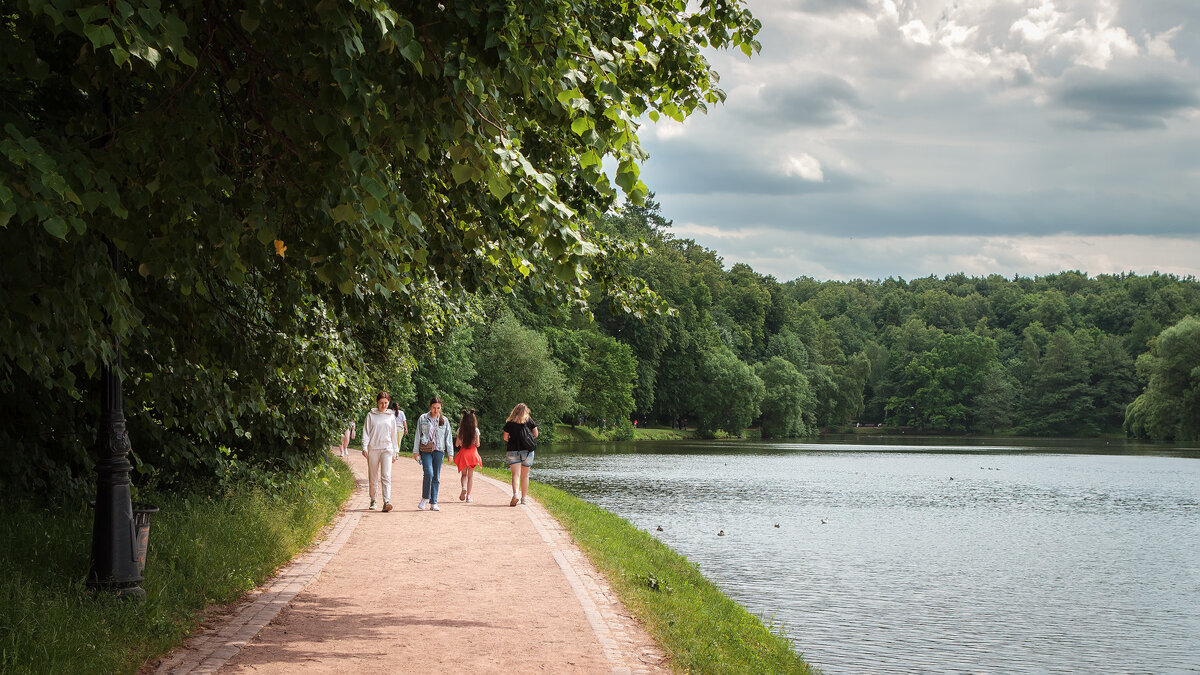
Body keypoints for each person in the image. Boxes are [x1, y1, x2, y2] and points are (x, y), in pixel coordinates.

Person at [412, 396, 454, 511]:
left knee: (436, 476)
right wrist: (416, 452)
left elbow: (448, 437)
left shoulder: (444, 420)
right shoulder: (423, 418)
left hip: (439, 450)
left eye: (438, 408)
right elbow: (418, 434)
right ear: (430, 407)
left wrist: (450, 453)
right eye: (434, 408)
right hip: (425, 450)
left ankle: (434, 502)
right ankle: (424, 498)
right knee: (429, 473)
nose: (436, 410)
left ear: (441, 408)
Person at [361, 391, 399, 511]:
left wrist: (395, 451)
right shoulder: (371, 415)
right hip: (373, 449)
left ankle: (386, 501)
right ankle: (373, 500)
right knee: (373, 476)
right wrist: (364, 446)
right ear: (377, 403)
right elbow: (366, 432)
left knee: (386, 476)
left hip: (387, 449)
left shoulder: (391, 417)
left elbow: (394, 435)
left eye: (386, 403)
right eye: (381, 403)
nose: (383, 405)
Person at [502, 402, 538, 507]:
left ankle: (515, 494)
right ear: (526, 411)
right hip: (527, 451)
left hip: (512, 450)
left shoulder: (510, 422)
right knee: (525, 475)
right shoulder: (529, 421)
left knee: (515, 475)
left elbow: (505, 438)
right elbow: (536, 434)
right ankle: (524, 499)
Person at [453, 409, 482, 502]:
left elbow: (457, 444)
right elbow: (477, 444)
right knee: (470, 476)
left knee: (464, 475)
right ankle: (468, 496)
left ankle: (463, 488)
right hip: (472, 454)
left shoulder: (460, 430)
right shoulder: (476, 430)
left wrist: (461, 442)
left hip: (464, 454)